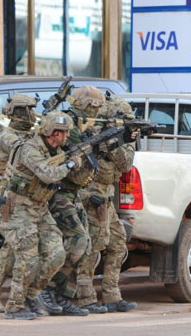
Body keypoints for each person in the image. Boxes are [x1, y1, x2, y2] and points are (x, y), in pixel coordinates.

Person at [0, 111, 78, 320]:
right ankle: (14, 306)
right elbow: (46, 174)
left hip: (39, 209)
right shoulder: (30, 149)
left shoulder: (55, 150)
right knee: (28, 259)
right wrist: (69, 164)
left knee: (56, 254)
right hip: (19, 210)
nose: (68, 137)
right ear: (53, 133)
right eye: (65, 133)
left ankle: (31, 296)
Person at [37, 86, 104, 316]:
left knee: (85, 246)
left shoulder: (80, 128)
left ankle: (64, 295)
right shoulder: (69, 128)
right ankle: (47, 287)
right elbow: (74, 167)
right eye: (94, 108)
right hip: (60, 194)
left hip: (73, 194)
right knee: (78, 241)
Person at [76, 97, 138, 313]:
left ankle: (112, 295)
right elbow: (123, 163)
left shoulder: (119, 138)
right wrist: (114, 141)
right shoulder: (94, 134)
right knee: (94, 246)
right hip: (91, 198)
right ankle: (85, 297)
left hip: (106, 198)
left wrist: (120, 140)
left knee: (118, 243)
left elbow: (124, 164)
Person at [0, 94, 37, 313]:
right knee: (12, 249)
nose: (33, 114)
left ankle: (0, 293)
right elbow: (26, 154)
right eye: (29, 109)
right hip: (12, 197)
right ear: (18, 112)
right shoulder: (8, 136)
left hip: (30, 196)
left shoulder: (28, 134)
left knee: (13, 249)